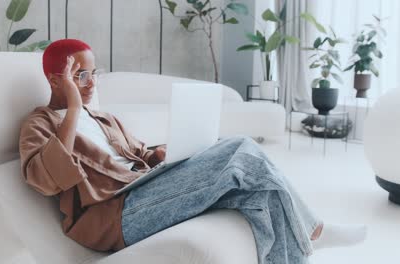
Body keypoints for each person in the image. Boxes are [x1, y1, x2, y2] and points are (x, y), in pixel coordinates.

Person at [19, 39, 367, 263]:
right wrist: (74, 108)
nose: (92, 83)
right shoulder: (41, 123)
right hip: (115, 214)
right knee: (241, 148)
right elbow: (43, 179)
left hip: (145, 187)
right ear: (55, 80)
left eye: (94, 73)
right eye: (81, 76)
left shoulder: (104, 117)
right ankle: (315, 231)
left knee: (260, 194)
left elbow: (137, 152)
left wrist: (159, 155)